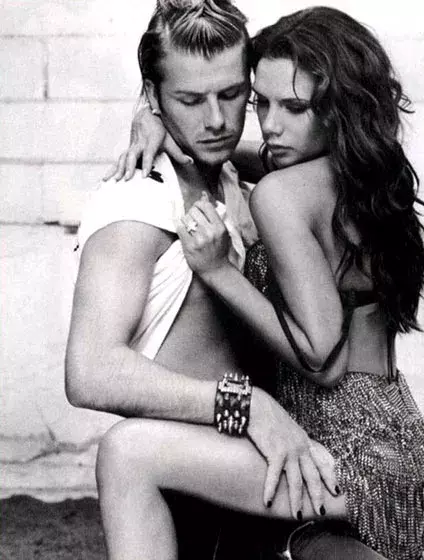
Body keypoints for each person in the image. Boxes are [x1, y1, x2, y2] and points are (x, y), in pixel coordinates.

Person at [105, 5, 424, 560]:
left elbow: (322, 356)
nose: (271, 125)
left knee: (127, 452)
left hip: (342, 452)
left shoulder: (281, 194)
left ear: (339, 109)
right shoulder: (367, 173)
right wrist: (158, 120)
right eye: (261, 102)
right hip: (398, 443)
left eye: (294, 108)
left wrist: (218, 272)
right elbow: (238, 154)